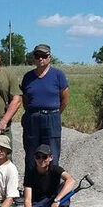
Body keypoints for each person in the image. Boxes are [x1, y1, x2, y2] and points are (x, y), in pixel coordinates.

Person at [20, 44, 69, 175]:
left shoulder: (58, 75)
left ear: (49, 57)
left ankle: (51, 189)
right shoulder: (28, 77)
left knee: (52, 153)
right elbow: (25, 99)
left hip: (52, 118)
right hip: (32, 118)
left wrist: (54, 113)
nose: (40, 59)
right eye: (37, 56)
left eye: (43, 56)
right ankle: (31, 189)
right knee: (31, 154)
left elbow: (64, 99)